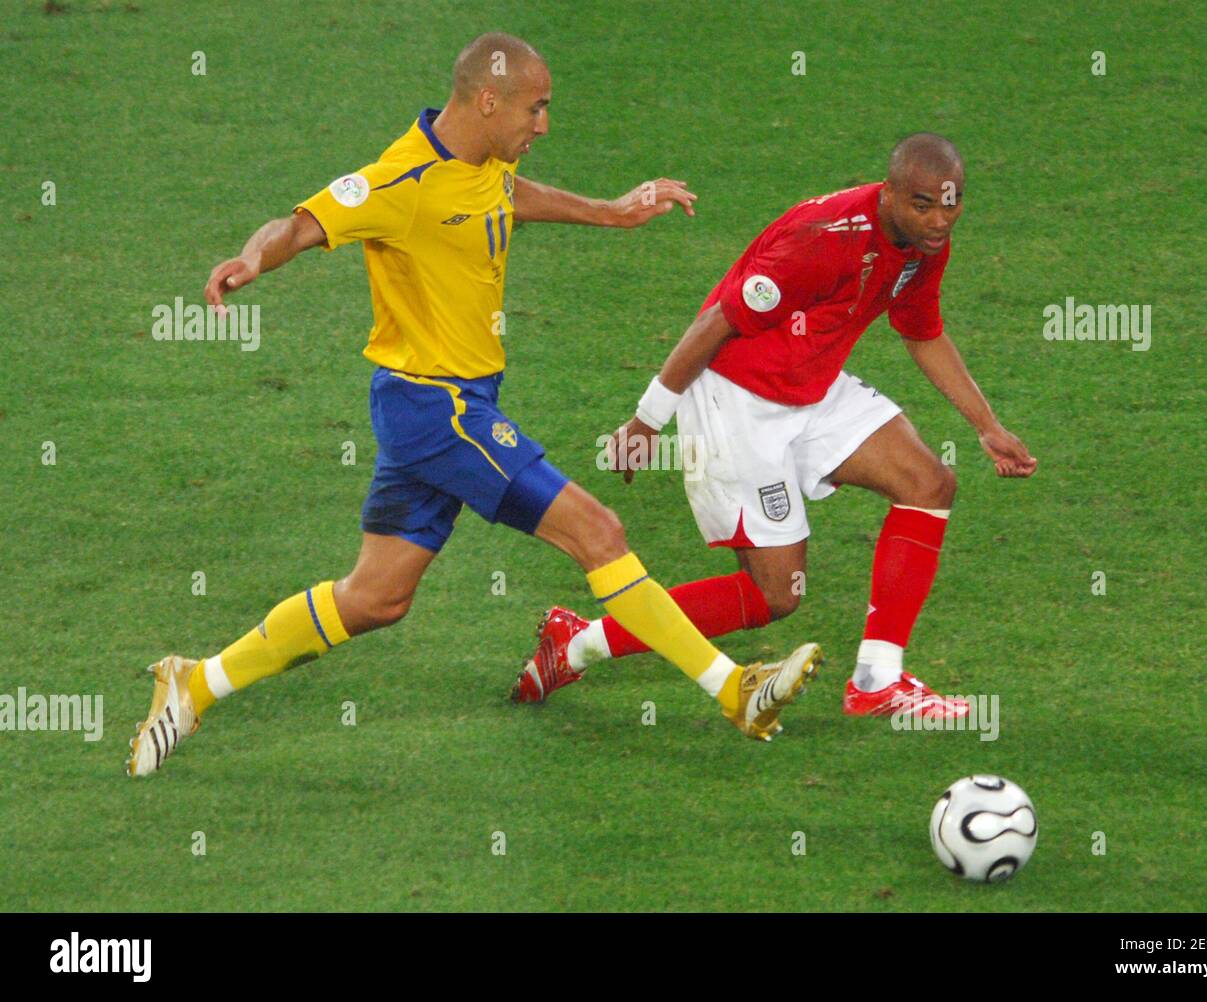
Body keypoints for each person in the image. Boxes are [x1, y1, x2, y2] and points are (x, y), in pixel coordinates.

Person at [127, 33, 823, 778]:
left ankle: (194, 681)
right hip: (439, 408)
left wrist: (610, 212)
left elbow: (506, 197)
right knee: (598, 530)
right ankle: (732, 689)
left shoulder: (489, 160)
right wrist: (251, 259)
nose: (544, 126)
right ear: (487, 101)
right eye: (537, 108)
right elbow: (298, 225)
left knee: (376, 598)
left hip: (436, 402)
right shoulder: (401, 180)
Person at [515, 133, 1036, 720]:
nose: (941, 219)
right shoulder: (819, 241)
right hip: (736, 399)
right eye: (924, 204)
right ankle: (578, 643)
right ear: (887, 193)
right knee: (774, 594)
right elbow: (715, 321)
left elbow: (921, 330)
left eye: (953, 201)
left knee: (929, 483)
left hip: (812, 385)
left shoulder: (924, 242)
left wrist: (986, 425)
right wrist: (645, 422)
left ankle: (877, 682)